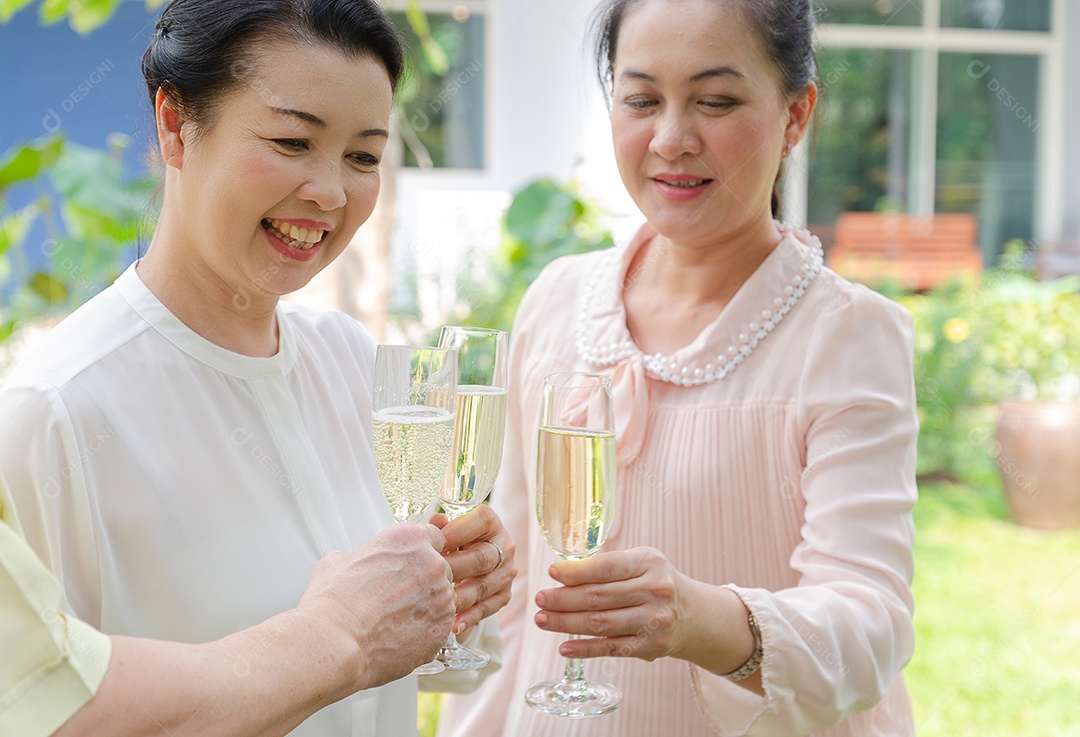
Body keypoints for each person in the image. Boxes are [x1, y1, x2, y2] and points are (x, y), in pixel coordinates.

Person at [0, 1, 514, 735]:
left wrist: (459, 592)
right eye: (291, 140)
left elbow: (434, 667)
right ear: (175, 125)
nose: (331, 192)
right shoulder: (51, 413)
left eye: (363, 156)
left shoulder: (355, 363)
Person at [437, 0, 917, 735]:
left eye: (716, 101)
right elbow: (515, 587)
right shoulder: (557, 300)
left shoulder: (849, 335)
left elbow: (869, 628)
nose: (670, 138)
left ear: (796, 115)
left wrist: (700, 619)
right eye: (641, 99)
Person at [0, 468, 494, 737]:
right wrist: (343, 635)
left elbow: (450, 672)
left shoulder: (353, 352)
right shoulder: (52, 407)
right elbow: (53, 708)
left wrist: (464, 587)